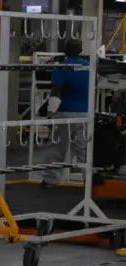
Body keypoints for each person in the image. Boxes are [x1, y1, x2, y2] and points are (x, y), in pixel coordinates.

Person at [41, 39, 91, 187]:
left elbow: (56, 92)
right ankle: (88, 182)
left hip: (65, 113)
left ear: (65, 50)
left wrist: (50, 112)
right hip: (84, 114)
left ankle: (50, 180)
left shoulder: (62, 67)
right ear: (80, 50)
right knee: (82, 149)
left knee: (57, 147)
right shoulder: (88, 67)